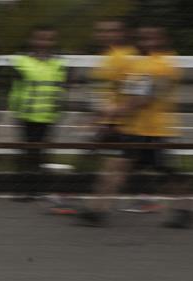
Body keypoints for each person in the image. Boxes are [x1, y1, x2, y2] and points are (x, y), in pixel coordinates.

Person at [79, 25, 193, 228]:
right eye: (142, 38)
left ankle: (186, 211)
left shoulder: (165, 64)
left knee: (169, 173)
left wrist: (111, 114)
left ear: (163, 39)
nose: (146, 42)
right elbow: (129, 93)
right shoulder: (140, 63)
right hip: (133, 129)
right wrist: (109, 116)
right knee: (114, 169)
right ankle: (97, 211)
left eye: (152, 38)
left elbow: (145, 98)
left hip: (155, 131)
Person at [50, 18, 135, 216]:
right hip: (106, 120)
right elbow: (105, 93)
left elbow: (130, 92)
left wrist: (110, 117)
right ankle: (76, 199)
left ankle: (76, 200)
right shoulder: (106, 57)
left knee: (106, 164)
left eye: (111, 31)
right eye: (101, 31)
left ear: (122, 33)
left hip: (118, 123)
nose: (105, 35)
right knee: (98, 160)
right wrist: (94, 117)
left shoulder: (126, 57)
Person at [7, 25, 67, 202]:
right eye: (40, 39)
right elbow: (16, 89)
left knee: (41, 153)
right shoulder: (22, 62)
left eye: (48, 39)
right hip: (27, 116)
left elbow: (60, 89)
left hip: (48, 116)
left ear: (54, 41)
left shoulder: (59, 64)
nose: (44, 43)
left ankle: (38, 189)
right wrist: (15, 109)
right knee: (26, 153)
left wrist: (58, 109)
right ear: (32, 41)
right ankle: (22, 189)